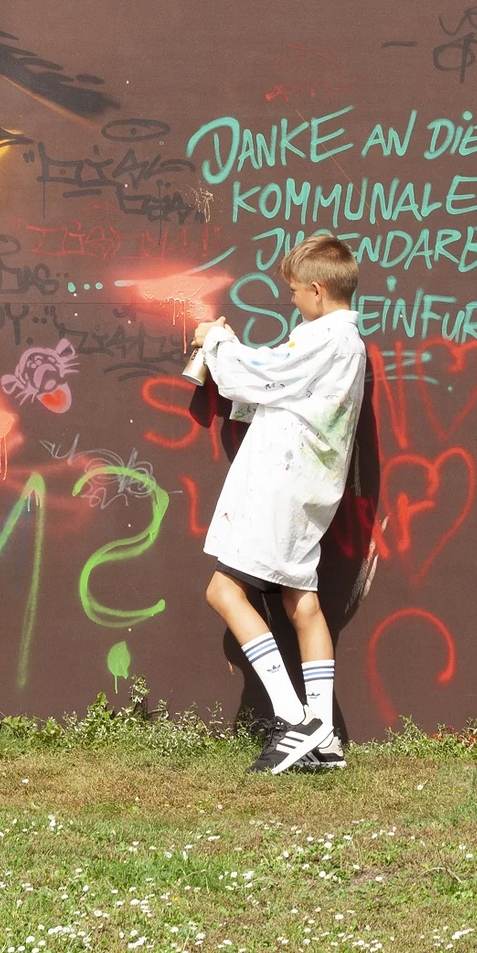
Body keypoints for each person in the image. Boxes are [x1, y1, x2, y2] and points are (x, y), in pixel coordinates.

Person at [191, 235, 368, 774]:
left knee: (223, 591)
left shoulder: (329, 339)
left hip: (283, 489)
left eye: (293, 291)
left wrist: (216, 343)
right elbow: (279, 379)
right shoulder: (344, 342)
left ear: (317, 290)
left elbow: (266, 374)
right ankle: (326, 741)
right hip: (308, 489)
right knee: (302, 605)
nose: (290, 300)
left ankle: (296, 721)